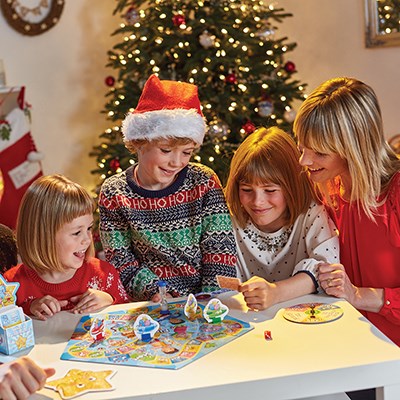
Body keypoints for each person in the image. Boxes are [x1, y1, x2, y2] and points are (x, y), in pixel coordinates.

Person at [99, 74, 237, 302]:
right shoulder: (115, 192)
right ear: (139, 142)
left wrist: (209, 299)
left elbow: (219, 250)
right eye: (165, 150)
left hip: (207, 302)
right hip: (151, 304)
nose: (176, 162)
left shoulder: (203, 181)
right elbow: (120, 258)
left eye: (187, 152)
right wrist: (156, 291)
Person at [294, 77, 400, 348]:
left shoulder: (395, 193)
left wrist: (357, 294)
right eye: (302, 147)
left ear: (352, 147)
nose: (304, 161)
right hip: (350, 343)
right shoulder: (328, 185)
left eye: (318, 152)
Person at [224, 126, 339, 311]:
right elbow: (220, 280)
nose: (258, 202)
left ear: (291, 186)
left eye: (270, 190)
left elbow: (326, 268)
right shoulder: (229, 218)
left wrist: (275, 292)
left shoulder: (311, 213)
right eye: (246, 190)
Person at [4, 174, 129, 320]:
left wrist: (109, 300)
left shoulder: (103, 275)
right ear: (42, 236)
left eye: (89, 228)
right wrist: (29, 308)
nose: (87, 239)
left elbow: (130, 320)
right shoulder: (10, 286)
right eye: (76, 232)